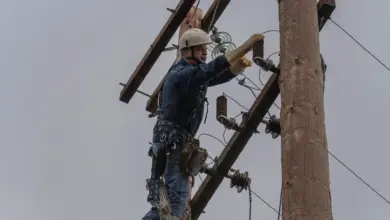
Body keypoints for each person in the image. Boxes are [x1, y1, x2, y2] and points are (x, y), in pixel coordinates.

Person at [142, 28, 264, 220]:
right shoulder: (180, 74)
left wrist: (236, 69)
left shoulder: (190, 76)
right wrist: (244, 47)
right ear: (186, 51)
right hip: (173, 142)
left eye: (205, 48)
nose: (205, 52)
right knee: (176, 201)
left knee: (163, 205)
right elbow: (209, 71)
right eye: (199, 49)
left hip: (169, 141)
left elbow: (212, 77)